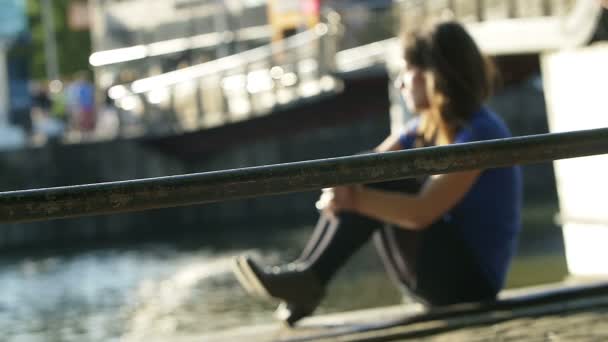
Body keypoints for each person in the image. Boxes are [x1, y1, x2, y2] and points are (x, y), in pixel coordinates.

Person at [232, 20, 522, 327]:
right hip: (433, 275)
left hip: (470, 285)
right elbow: (366, 167)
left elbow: (422, 212)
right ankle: (306, 274)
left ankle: (309, 280)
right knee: (372, 169)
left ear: (435, 75)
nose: (399, 84)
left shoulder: (481, 133)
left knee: (387, 177)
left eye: (406, 71)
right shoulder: (423, 127)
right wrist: (341, 192)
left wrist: (354, 199)